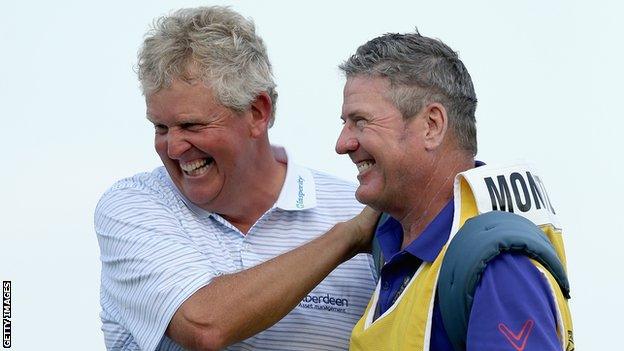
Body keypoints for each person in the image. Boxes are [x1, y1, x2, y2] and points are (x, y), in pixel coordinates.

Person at [94, 6, 378, 351]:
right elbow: (204, 325)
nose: (173, 147)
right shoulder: (134, 206)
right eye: (161, 127)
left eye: (191, 126)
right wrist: (346, 239)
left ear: (257, 113)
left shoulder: (358, 208)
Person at [334, 32, 574, 350]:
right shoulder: (389, 243)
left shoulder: (498, 267)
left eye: (360, 121)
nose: (342, 144)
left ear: (432, 125)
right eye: (345, 123)